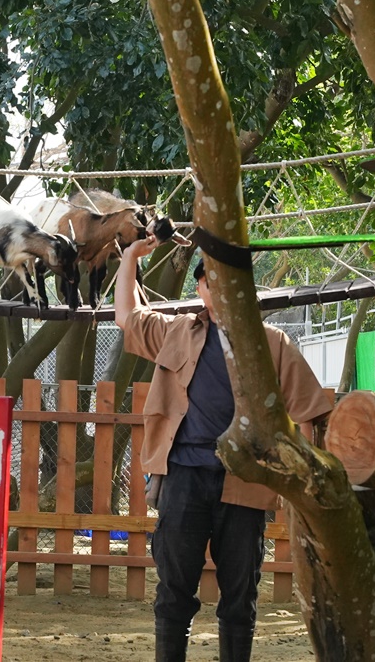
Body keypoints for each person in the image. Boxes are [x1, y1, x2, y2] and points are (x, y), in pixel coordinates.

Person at [114, 237, 333, 662]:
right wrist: (128, 258)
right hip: (183, 477)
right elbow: (126, 315)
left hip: (247, 483)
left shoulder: (274, 343)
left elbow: (310, 413)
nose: (222, 289)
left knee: (240, 596)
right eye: (211, 281)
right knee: (173, 591)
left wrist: (303, 482)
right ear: (200, 289)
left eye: (233, 282)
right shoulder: (175, 332)